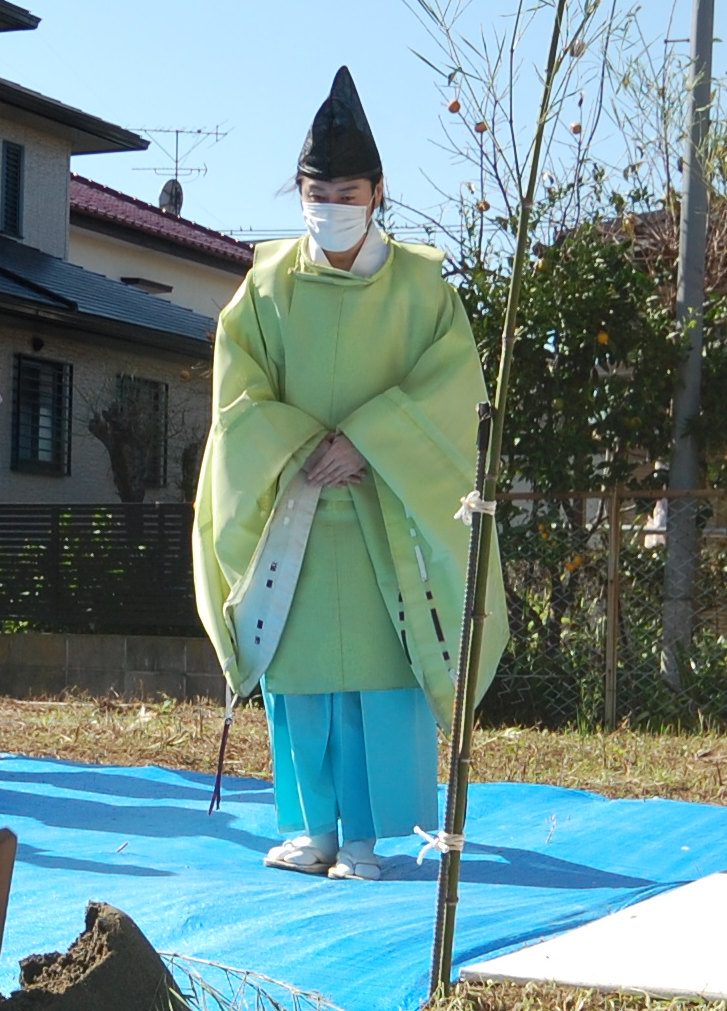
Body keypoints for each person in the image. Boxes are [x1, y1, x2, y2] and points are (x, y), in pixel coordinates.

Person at [191, 67, 503, 881]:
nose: (331, 205)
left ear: (377, 193)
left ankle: (365, 836)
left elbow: (451, 387)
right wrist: (301, 448)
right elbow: (240, 396)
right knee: (300, 681)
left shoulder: (422, 285)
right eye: (318, 190)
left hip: (382, 510)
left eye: (347, 191)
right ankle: (312, 829)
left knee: (375, 672)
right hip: (295, 513)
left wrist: (367, 441)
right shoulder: (264, 286)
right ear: (300, 193)